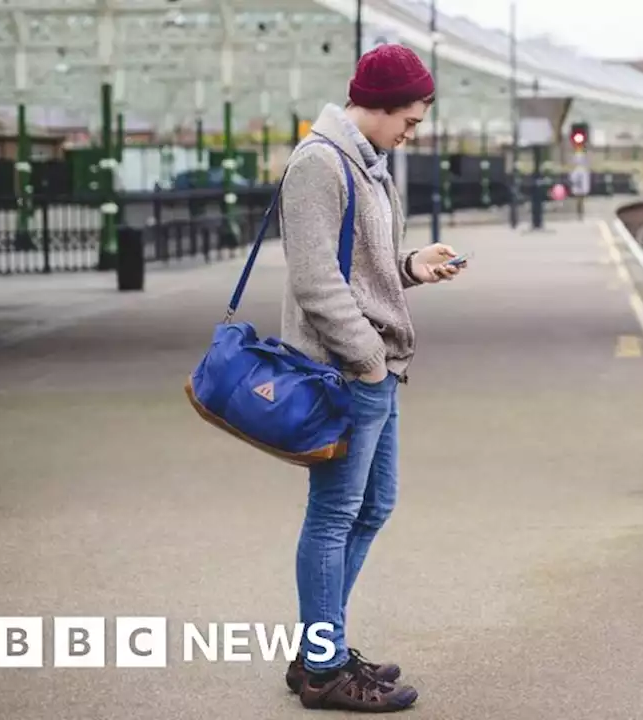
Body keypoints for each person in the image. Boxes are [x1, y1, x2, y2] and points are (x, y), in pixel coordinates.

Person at [276, 44, 464, 712]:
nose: (410, 133)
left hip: (372, 369)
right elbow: (315, 277)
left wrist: (412, 266)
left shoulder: (365, 163)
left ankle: (318, 648)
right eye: (407, 121)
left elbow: (363, 265)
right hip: (346, 371)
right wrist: (366, 356)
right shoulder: (319, 164)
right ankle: (322, 670)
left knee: (373, 506)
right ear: (376, 106)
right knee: (332, 517)